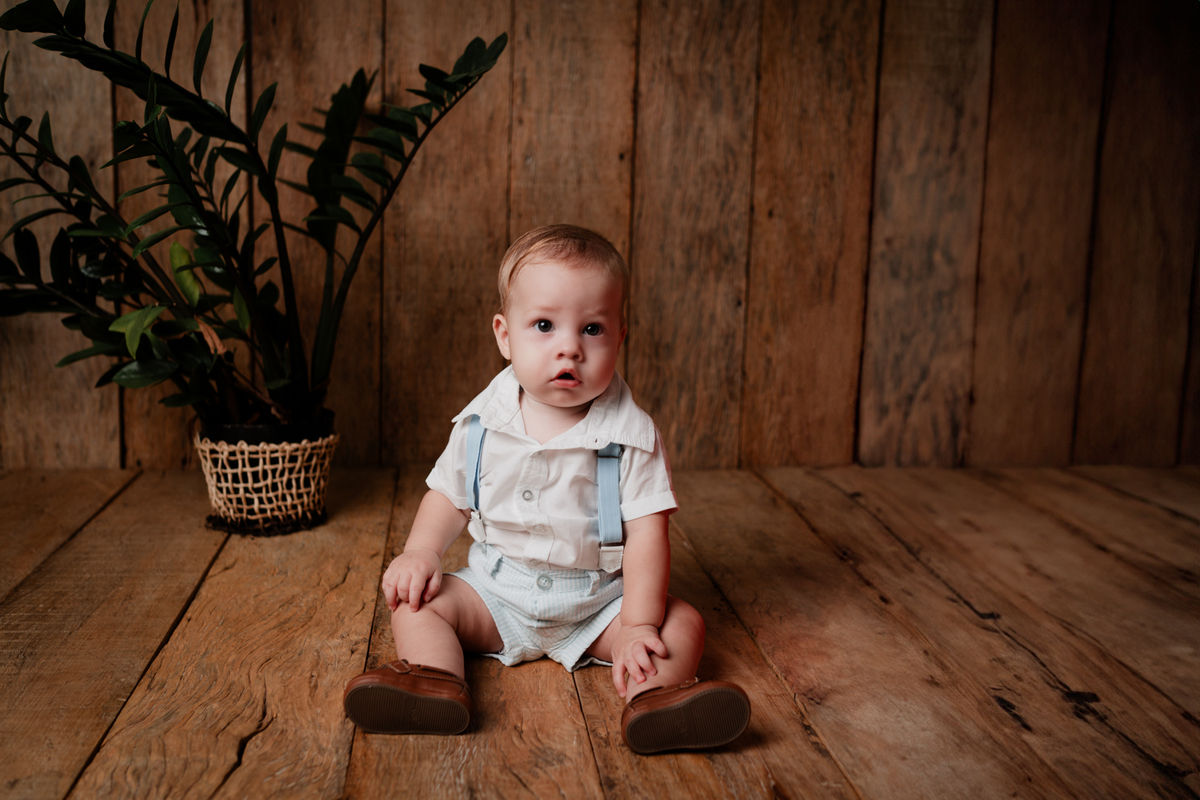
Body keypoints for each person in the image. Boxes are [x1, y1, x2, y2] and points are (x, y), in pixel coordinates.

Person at [343, 224, 750, 754]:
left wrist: (636, 624)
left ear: (620, 336)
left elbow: (649, 536)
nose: (569, 348)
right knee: (416, 605)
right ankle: (433, 680)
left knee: (682, 624)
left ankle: (657, 701)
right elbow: (447, 496)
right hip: (495, 592)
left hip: (599, 604)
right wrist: (422, 551)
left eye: (592, 329)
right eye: (544, 325)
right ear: (504, 335)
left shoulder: (632, 436)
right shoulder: (482, 424)